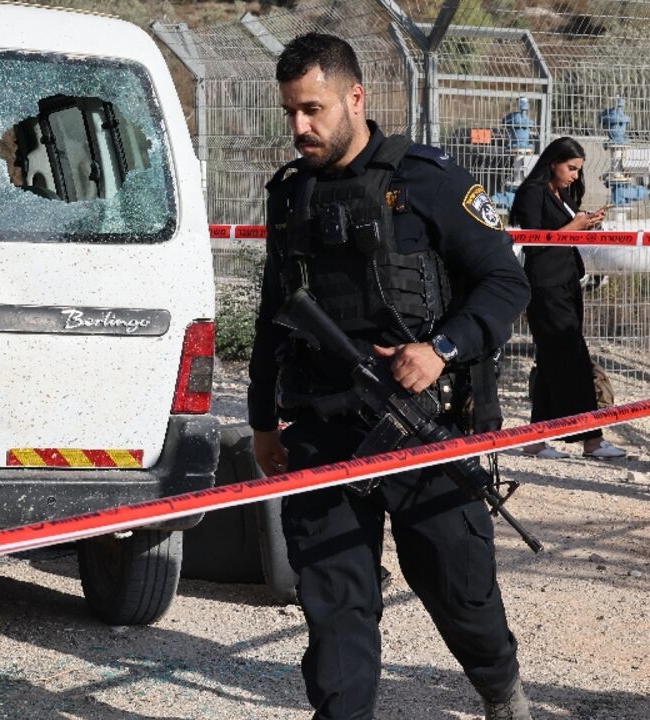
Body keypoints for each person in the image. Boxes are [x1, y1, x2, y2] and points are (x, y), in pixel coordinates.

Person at [247, 33, 534, 720]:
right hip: (324, 425)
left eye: (312, 109)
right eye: (290, 112)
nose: (300, 127)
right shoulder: (293, 196)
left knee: (460, 590)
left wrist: (441, 348)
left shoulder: (427, 180)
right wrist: (264, 419)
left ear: (355, 98)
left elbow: (503, 281)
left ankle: (501, 690)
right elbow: (274, 309)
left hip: (423, 424)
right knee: (336, 604)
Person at [510, 137, 627, 459]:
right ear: (553, 163)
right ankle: (592, 438)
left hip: (565, 283)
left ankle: (536, 439)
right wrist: (574, 225)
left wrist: (585, 225)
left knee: (552, 362)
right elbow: (534, 240)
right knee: (572, 359)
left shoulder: (558, 193)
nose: (575, 175)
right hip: (546, 286)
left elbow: (563, 235)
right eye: (570, 168)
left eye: (578, 170)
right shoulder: (533, 193)